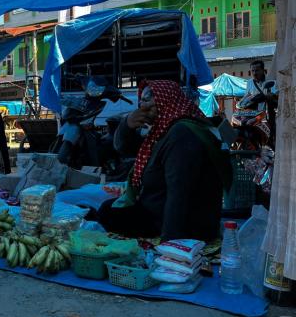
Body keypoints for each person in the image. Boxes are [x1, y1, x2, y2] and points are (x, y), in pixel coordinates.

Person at [87, 80, 231, 242]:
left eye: (148, 100)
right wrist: (127, 125)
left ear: (166, 100)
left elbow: (179, 194)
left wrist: (170, 245)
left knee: (107, 213)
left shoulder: (182, 134)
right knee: (107, 209)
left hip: (184, 225)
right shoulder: (164, 129)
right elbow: (125, 149)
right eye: (142, 101)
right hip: (157, 210)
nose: (143, 106)